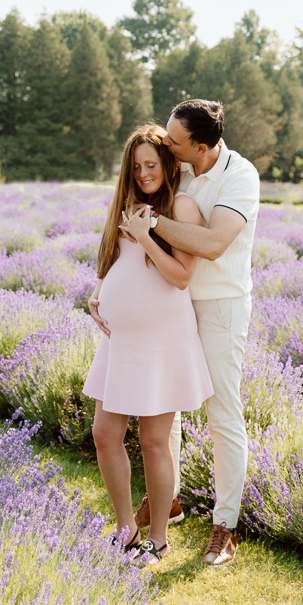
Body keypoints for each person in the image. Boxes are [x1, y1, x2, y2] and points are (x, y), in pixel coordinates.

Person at [128, 99, 259, 567]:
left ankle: (225, 524)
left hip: (221, 306)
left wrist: (154, 223)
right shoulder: (180, 167)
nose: (167, 144)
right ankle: (172, 499)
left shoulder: (239, 176)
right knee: (168, 404)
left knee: (222, 409)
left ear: (202, 146)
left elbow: (212, 244)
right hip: (174, 301)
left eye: (175, 141)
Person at [84, 123, 213, 567]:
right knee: (105, 434)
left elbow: (180, 277)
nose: (143, 174)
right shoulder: (127, 203)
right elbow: (114, 260)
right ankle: (126, 528)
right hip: (122, 341)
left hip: (162, 341)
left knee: (155, 441)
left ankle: (158, 539)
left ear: (168, 164)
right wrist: (99, 292)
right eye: (136, 167)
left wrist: (145, 236)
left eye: (151, 164)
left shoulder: (182, 207)